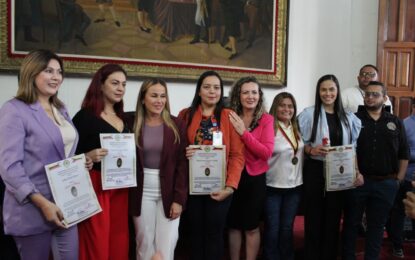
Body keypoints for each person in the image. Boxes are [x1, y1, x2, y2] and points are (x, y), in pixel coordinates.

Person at [0, 49, 92, 260]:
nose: (56, 77)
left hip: (67, 204)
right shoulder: (14, 110)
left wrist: (80, 161)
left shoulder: (61, 108)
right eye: (48, 71)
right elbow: (9, 168)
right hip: (33, 208)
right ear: (31, 73)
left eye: (59, 72)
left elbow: (62, 152)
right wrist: (43, 203)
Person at [178, 70, 245, 260]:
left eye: (216, 88)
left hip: (221, 187)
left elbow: (237, 155)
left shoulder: (229, 116)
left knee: (215, 235)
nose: (212, 91)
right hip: (193, 187)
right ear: (199, 91)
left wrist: (230, 187)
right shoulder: (185, 115)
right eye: (207, 87)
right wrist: (185, 152)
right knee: (196, 234)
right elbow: (175, 149)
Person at [342, 81, 409, 260]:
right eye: (367, 94)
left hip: (386, 183)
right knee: (351, 224)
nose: (369, 97)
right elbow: (346, 149)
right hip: (357, 182)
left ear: (385, 98)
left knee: (377, 226)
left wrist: (398, 180)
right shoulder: (353, 119)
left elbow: (404, 152)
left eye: (375, 94)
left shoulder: (395, 122)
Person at [298, 74, 362, 260]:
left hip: (339, 172)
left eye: (331, 89)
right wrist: (311, 150)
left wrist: (356, 171)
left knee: (333, 218)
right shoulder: (309, 114)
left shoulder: (349, 118)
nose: (328, 93)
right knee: (314, 217)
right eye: (323, 90)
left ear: (337, 91)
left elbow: (353, 148)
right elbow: (300, 143)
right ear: (318, 92)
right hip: (316, 170)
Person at [73, 64, 130, 260]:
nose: (120, 88)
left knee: (118, 240)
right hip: (96, 185)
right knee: (96, 241)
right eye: (115, 83)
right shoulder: (84, 117)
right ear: (100, 85)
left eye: (123, 84)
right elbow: (68, 160)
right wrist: (87, 156)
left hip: (121, 187)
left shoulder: (125, 118)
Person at [129, 78, 188, 260]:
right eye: (154, 95)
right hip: (141, 191)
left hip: (169, 191)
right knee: (144, 244)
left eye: (163, 96)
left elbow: (182, 165)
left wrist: (179, 199)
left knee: (167, 245)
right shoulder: (129, 121)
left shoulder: (177, 124)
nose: (159, 100)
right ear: (142, 99)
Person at [226, 76, 274, 260]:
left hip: (255, 180)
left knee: (251, 227)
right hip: (232, 177)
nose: (250, 96)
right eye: (245, 92)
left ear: (259, 95)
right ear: (238, 95)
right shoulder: (229, 115)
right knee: (234, 225)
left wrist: (244, 134)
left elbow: (266, 152)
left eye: (254, 92)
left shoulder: (266, 119)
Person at [263, 92, 304, 260]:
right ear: (275, 107)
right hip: (273, 185)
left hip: (294, 186)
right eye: (282, 105)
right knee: (273, 227)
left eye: (290, 106)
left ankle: (287, 256)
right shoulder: (268, 127)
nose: (286, 109)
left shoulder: (296, 127)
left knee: (287, 227)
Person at [387, 97, 415, 258]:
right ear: (413, 107)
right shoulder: (404, 124)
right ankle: (397, 245)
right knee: (399, 212)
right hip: (406, 176)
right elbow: (399, 151)